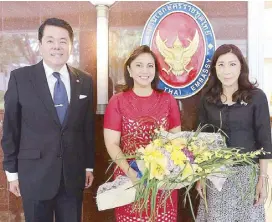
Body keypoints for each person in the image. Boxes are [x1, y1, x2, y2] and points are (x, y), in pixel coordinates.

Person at [1, 18, 95, 222]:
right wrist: (11, 173)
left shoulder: (84, 80)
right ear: (40, 44)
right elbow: (10, 128)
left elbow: (88, 129)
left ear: (71, 45)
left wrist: (88, 166)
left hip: (72, 175)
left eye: (63, 41)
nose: (57, 46)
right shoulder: (21, 78)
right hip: (34, 174)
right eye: (50, 40)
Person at [103, 45, 181, 221]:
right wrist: (131, 174)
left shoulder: (168, 100)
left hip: (163, 181)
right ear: (129, 70)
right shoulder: (117, 101)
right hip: (129, 180)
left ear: (155, 71)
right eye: (139, 65)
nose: (144, 70)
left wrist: (163, 171)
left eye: (150, 66)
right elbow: (112, 144)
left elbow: (177, 143)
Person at [196, 44, 272, 222]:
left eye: (232, 64)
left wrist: (263, 178)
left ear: (241, 67)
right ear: (215, 68)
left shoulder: (256, 97)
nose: (226, 70)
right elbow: (202, 140)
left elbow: (264, 139)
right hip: (216, 177)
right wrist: (201, 177)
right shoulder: (207, 99)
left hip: (247, 176)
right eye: (221, 64)